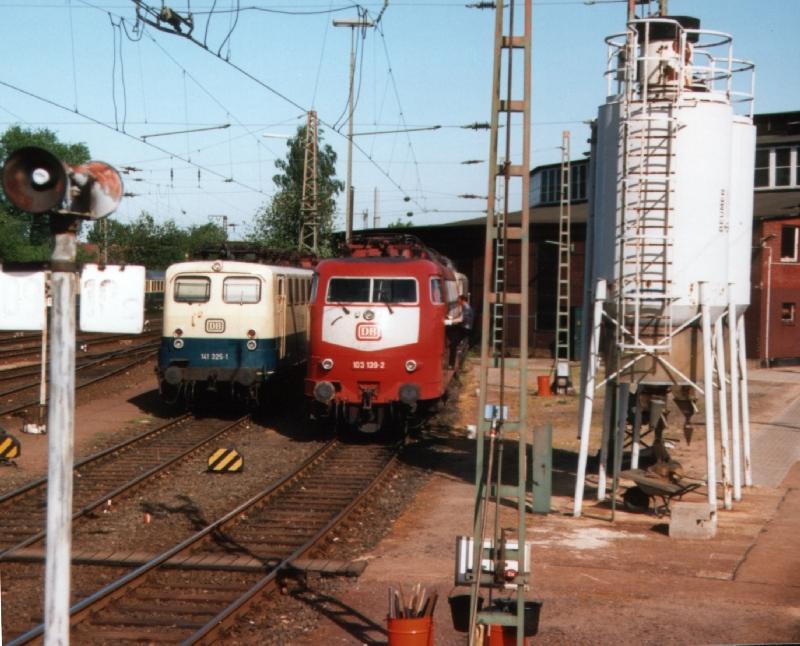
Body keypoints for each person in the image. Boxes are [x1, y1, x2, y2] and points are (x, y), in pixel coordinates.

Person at [447, 295, 473, 368]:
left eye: (458, 300)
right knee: (449, 329)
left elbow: (461, 319)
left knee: (453, 345)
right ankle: (453, 341)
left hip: (464, 329)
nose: (457, 301)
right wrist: (451, 318)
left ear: (462, 300)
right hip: (462, 327)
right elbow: (461, 317)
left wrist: (450, 321)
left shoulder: (466, 308)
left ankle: (451, 365)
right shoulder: (465, 307)